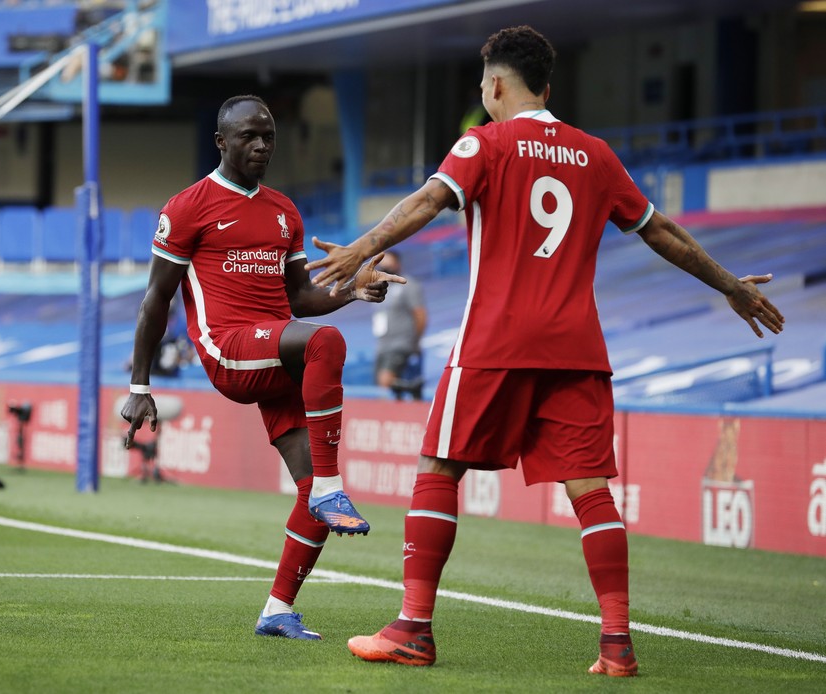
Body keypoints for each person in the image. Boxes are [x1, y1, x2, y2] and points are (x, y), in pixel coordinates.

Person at [304, 26, 785, 675]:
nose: (484, 95)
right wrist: (729, 285)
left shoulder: (484, 143)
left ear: (496, 86)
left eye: (483, 87)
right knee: (591, 491)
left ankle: (413, 628)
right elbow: (660, 230)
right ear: (548, 87)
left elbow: (428, 200)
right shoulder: (595, 154)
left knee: (437, 468)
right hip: (577, 349)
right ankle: (616, 645)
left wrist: (361, 247)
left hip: (495, 339)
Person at [120, 94, 404, 641]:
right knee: (327, 345)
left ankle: (277, 609)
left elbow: (299, 300)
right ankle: (331, 484)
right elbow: (156, 299)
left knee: (308, 491)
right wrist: (140, 385)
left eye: (268, 136)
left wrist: (352, 290)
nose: (260, 145)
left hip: (275, 350)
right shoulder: (187, 207)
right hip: (228, 350)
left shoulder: (284, 211)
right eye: (248, 136)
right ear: (221, 141)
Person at [371, 250, 427, 400]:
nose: (384, 265)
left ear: (397, 263)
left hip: (401, 343)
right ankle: (406, 396)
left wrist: (415, 341)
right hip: (383, 344)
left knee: (385, 380)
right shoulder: (380, 287)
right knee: (380, 385)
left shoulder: (407, 285)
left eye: (388, 261)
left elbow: (420, 315)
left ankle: (414, 390)